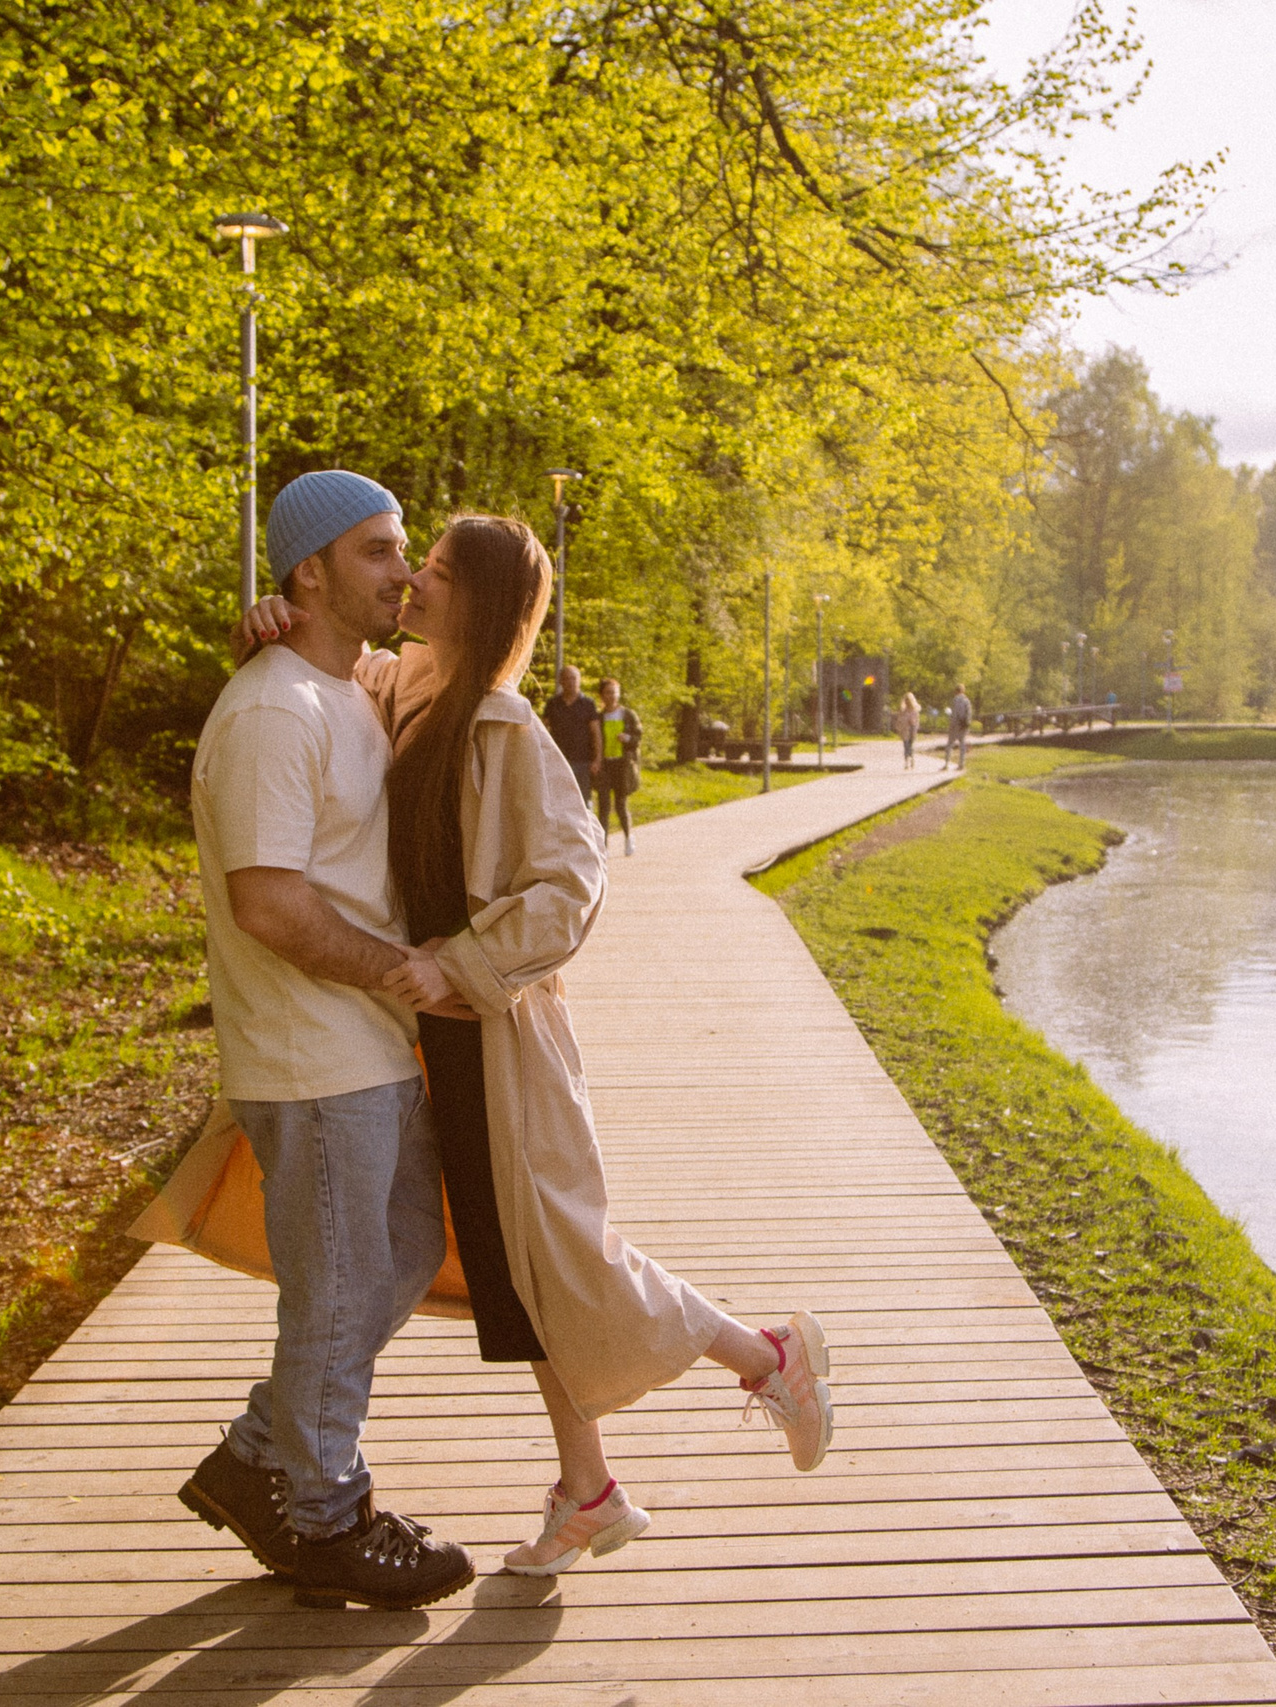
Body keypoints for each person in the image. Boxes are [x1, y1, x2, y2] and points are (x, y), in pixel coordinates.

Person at [236, 515, 834, 1582]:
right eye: (407, 565)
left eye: (433, 571)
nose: (412, 582)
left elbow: (572, 883)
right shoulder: (406, 689)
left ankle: (765, 1357)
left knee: (564, 1257)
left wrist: (457, 965)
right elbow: (326, 675)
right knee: (523, 1273)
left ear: (480, 601)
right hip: (432, 1040)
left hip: (499, 1040)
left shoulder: (507, 727)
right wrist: (277, 622)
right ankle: (588, 1490)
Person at [177, 470, 473, 1613]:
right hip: (312, 1056)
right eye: (377, 551)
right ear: (308, 571)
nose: (401, 572)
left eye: (403, 551)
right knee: (339, 1292)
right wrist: (397, 975)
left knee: (389, 1262)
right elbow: (270, 905)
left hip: (364, 1045)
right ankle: (326, 1517)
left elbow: (482, 655)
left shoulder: (355, 682)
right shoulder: (268, 714)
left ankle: (260, 1461)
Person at [591, 676, 641, 855]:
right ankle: (603, 845)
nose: (611, 696)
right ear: (602, 695)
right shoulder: (599, 717)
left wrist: (627, 738)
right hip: (605, 765)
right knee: (603, 806)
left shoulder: (628, 715)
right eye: (608, 693)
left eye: (614, 692)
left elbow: (637, 737)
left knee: (621, 804)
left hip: (622, 765)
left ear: (619, 694)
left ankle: (628, 838)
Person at [540, 663, 598, 804]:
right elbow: (541, 730)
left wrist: (597, 760)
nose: (571, 682)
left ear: (579, 680)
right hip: (558, 760)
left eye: (574, 678)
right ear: (561, 681)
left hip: (582, 761)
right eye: (567, 678)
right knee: (559, 801)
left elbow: (596, 734)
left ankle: (585, 827)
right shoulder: (553, 704)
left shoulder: (588, 704)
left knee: (583, 802)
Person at [892, 689, 922, 768]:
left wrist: (915, 725)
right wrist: (899, 728)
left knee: (911, 746)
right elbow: (900, 720)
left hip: (912, 729)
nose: (907, 702)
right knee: (906, 746)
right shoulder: (903, 711)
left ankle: (912, 758)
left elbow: (917, 721)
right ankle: (906, 762)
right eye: (906, 700)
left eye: (909, 700)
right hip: (905, 730)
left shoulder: (915, 711)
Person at [947, 683, 972, 769]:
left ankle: (947, 763)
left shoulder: (955, 700)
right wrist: (967, 724)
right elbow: (969, 713)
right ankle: (961, 764)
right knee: (962, 744)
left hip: (955, 724)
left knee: (950, 744)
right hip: (963, 725)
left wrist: (951, 723)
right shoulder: (967, 701)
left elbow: (953, 713)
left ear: (956, 691)